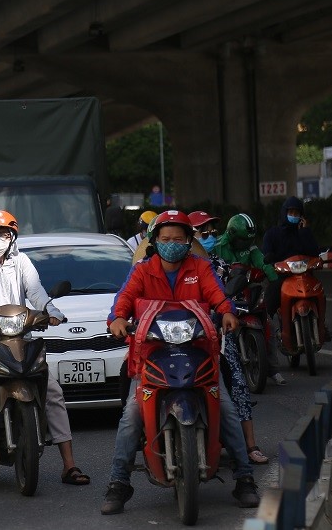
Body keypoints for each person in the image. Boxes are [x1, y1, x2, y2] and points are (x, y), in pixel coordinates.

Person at [101, 210, 260, 515]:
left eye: (178, 239)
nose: (171, 244)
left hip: (200, 354)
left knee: (227, 408)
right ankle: (118, 483)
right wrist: (118, 318)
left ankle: (244, 477)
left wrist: (226, 311)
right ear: (155, 242)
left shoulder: (200, 268)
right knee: (131, 416)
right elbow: (123, 300)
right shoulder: (142, 271)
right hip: (150, 355)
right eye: (165, 239)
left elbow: (217, 295)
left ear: (188, 241)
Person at [0, 210, 90, 486]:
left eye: (4, 234)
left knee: (53, 390)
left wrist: (51, 310)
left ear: (13, 238)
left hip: (18, 338)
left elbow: (37, 293)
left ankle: (69, 465)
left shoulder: (22, 263)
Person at [190, 211, 272, 464]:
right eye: (203, 232)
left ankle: (249, 446)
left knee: (236, 382)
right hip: (177, 342)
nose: (210, 236)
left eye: (213, 231)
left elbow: (225, 297)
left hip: (215, 339)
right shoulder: (161, 269)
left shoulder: (214, 267)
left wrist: (226, 311)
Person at [214, 213, 285, 388]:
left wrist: (275, 280)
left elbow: (263, 263)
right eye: (241, 240)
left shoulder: (251, 248)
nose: (245, 244)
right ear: (231, 235)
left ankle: (273, 369)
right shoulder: (217, 247)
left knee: (269, 324)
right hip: (225, 294)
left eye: (248, 240)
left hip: (248, 291)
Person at [261, 196, 326, 346]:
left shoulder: (303, 233)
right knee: (269, 299)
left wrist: (306, 231)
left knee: (320, 292)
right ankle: (268, 333)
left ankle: (322, 325)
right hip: (282, 277)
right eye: (291, 212)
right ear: (284, 213)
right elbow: (266, 253)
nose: (294, 216)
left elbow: (314, 252)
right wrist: (270, 259)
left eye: (297, 213)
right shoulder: (272, 233)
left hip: (305, 275)